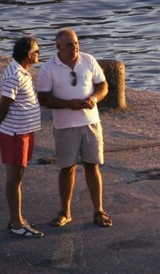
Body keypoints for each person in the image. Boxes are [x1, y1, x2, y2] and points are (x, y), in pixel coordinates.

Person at [37, 28, 113, 228]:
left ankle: (99, 211)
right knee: (67, 168)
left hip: (90, 123)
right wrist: (68, 104)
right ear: (58, 47)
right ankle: (65, 212)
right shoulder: (47, 68)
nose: (75, 48)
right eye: (70, 45)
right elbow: (43, 98)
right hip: (65, 126)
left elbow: (103, 85)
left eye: (77, 43)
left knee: (92, 166)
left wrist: (93, 99)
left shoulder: (88, 60)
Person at [0, 36, 44, 238]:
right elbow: (2, 106)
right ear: (29, 55)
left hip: (24, 130)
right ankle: (16, 223)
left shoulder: (22, 72)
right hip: (15, 133)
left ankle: (17, 219)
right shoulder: (15, 75)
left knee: (18, 176)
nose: (39, 54)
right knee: (15, 177)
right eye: (37, 51)